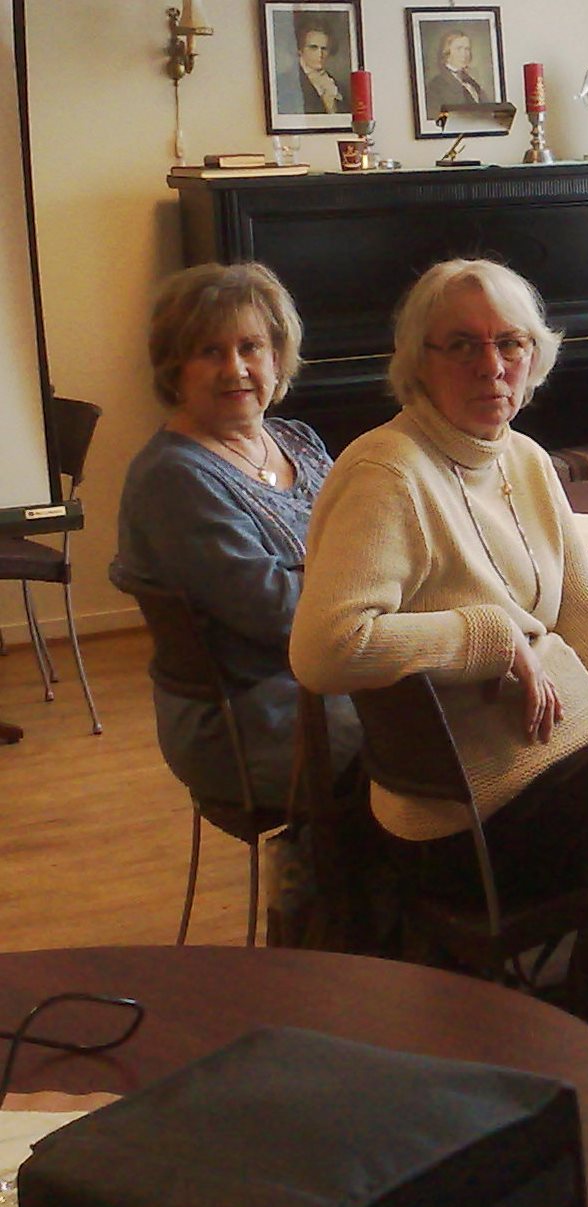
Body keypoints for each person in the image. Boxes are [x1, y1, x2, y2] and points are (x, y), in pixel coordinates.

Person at [290, 258, 588, 906]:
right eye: (462, 345)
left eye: (510, 342)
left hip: (568, 769)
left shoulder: (525, 458)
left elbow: (585, 611)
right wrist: (490, 634)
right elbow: (324, 649)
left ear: (534, 355)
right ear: (419, 361)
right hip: (474, 829)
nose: (491, 365)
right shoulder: (387, 474)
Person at [112, 262, 361, 811]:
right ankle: (327, 860)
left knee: (471, 704)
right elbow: (280, 613)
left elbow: (372, 535)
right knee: (436, 731)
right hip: (254, 718)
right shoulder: (174, 478)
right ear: (175, 367)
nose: (236, 369)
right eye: (210, 352)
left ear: (277, 358)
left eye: (251, 347)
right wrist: (380, 585)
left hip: (334, 673)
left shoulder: (296, 440)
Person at [422, 30, 487, 120]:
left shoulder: (472, 83)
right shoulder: (436, 86)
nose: (464, 54)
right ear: (446, 52)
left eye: (467, 49)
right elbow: (437, 120)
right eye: (459, 49)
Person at [282, 22, 344, 115]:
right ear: (300, 49)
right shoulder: (285, 83)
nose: (320, 54)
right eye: (313, 48)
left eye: (324, 48)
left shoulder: (336, 86)